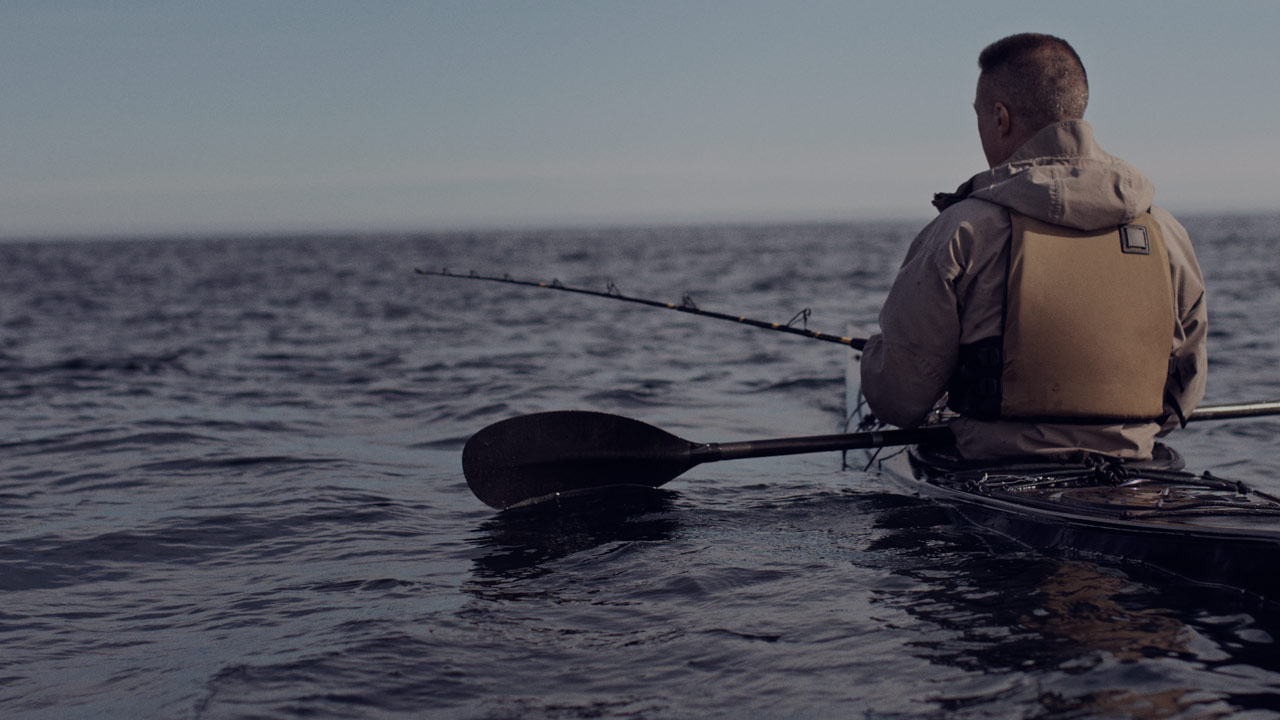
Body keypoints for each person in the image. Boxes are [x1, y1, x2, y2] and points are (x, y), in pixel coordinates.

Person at [859, 33, 1206, 460]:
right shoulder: (1166, 232)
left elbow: (900, 399)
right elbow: (1182, 395)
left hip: (992, 477)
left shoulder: (962, 231)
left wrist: (877, 358)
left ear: (1000, 118)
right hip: (1136, 477)